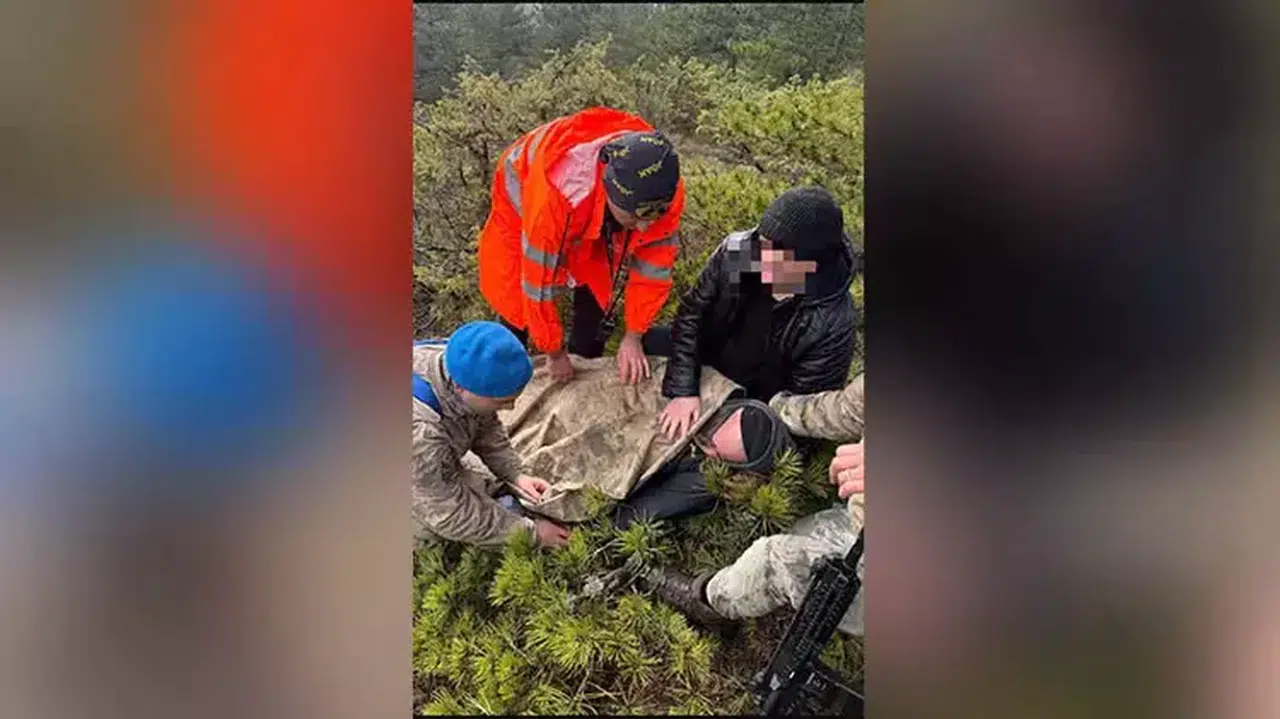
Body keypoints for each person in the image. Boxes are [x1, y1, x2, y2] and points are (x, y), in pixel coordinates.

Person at [477, 106, 686, 386]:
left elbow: (653, 272)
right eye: (638, 216)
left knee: (596, 283)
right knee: (515, 298)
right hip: (525, 203)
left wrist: (634, 335)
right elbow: (537, 286)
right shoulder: (558, 197)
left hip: (592, 208)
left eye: (653, 215)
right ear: (610, 191)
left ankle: (584, 357)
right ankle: (501, 374)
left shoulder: (661, 191)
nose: (645, 227)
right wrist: (553, 352)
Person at [642, 374, 866, 634]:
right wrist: (771, 412)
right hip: (859, 522)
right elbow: (843, 410)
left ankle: (709, 602)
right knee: (802, 533)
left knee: (778, 561)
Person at [650, 186, 860, 442]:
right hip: (709, 358)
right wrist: (684, 390)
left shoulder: (833, 320)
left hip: (760, 400)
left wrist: (749, 428)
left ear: (809, 264)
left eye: (778, 255)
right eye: (764, 245)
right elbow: (692, 315)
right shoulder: (740, 252)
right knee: (646, 345)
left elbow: (807, 410)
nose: (762, 259)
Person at [412, 321, 572, 549]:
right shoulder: (421, 436)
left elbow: (484, 422)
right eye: (502, 402)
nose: (511, 408)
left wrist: (514, 473)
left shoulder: (461, 359)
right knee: (432, 529)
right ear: (461, 389)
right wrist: (532, 534)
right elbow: (448, 513)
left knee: (484, 482)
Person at [611, 398, 794, 531]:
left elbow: (640, 510)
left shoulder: (707, 479)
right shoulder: (708, 400)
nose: (707, 450)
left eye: (715, 450)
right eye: (709, 438)